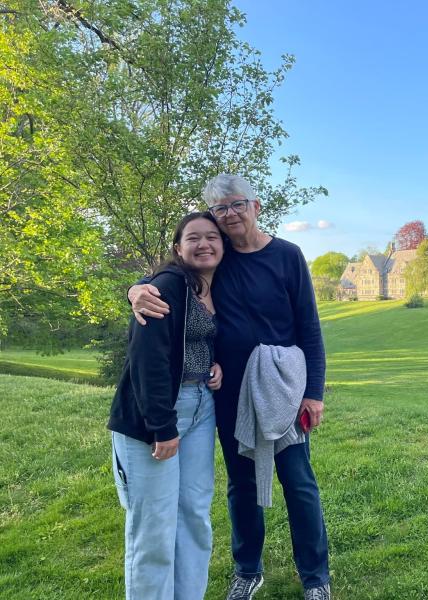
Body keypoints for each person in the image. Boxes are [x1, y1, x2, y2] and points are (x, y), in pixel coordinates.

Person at [129, 174, 330, 600]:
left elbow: (310, 328)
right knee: (241, 484)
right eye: (220, 209)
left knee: (298, 481)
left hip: (283, 388)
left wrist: (315, 392)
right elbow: (165, 280)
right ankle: (247, 570)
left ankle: (315, 577)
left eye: (237, 205)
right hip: (229, 392)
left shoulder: (287, 255)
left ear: (256, 206)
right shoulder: (216, 258)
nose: (229, 215)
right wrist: (134, 291)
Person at [108, 212, 225, 599]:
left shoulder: (217, 286)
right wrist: (162, 425)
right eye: (193, 237)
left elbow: (204, 338)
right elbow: (149, 358)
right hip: (156, 413)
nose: (204, 243)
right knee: (154, 527)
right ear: (178, 248)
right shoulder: (166, 287)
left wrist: (216, 361)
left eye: (212, 236)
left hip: (202, 407)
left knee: (193, 516)